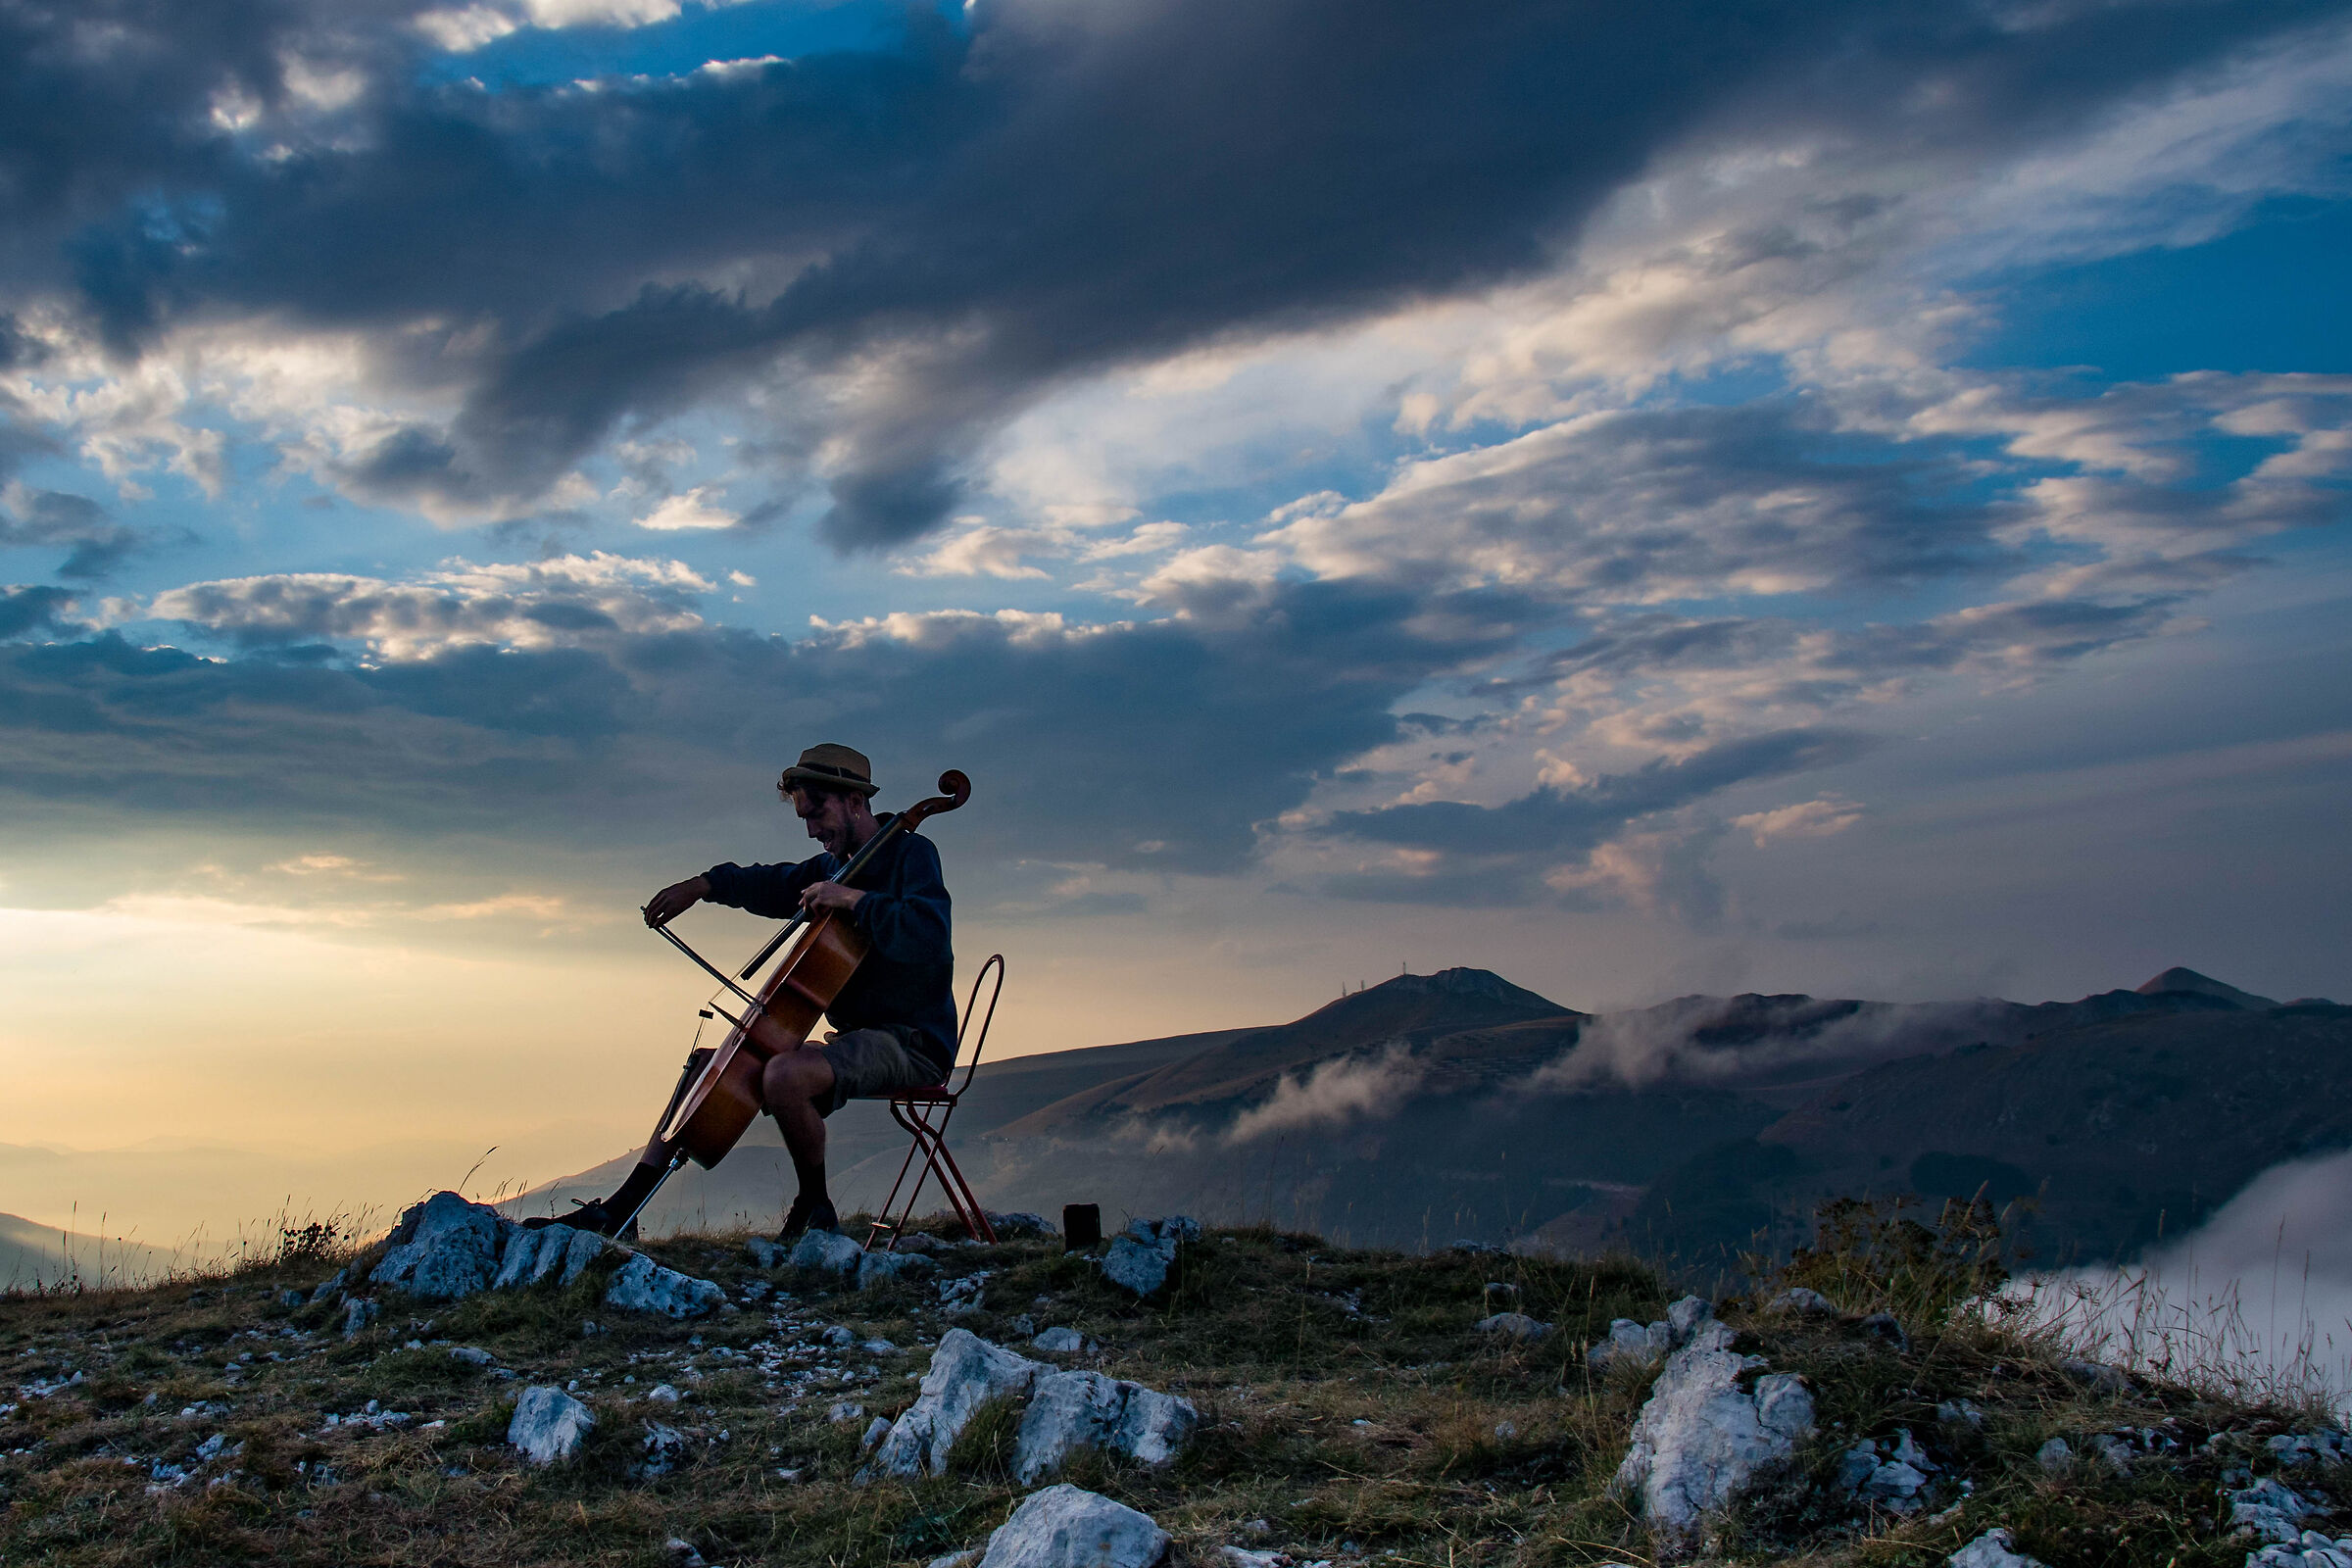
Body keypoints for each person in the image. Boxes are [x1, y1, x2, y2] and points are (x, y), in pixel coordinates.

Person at [642, 742, 956, 1239]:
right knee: (708, 1066)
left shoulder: (912, 855)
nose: (812, 829)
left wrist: (851, 899)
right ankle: (624, 1206)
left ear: (855, 801)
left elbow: (928, 932)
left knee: (786, 1075)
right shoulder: (834, 866)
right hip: (855, 1041)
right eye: (804, 818)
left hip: (912, 1042)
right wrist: (703, 885)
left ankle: (815, 1207)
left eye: (818, 812)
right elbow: (772, 882)